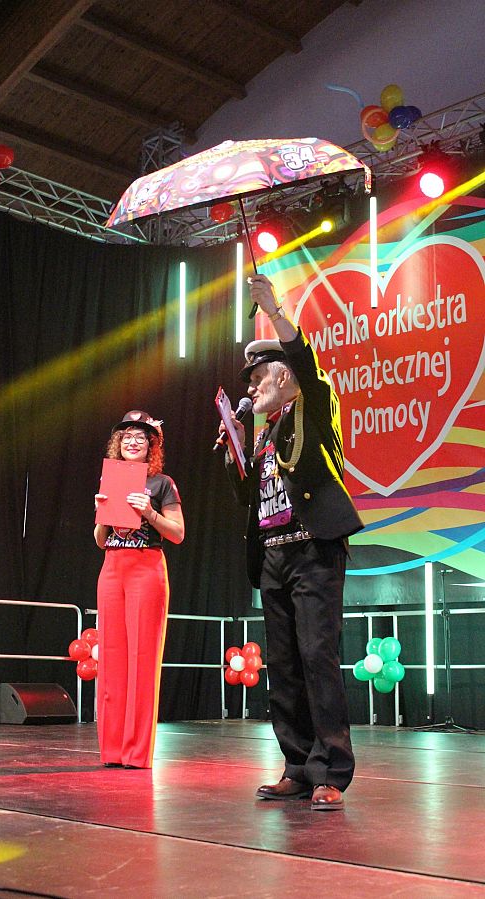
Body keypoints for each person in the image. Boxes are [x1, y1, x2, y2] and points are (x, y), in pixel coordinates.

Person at [221, 274, 363, 810]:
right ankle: (298, 765)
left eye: (259, 379)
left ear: (285, 377)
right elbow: (252, 498)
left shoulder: (316, 404)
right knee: (282, 665)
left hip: (313, 552)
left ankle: (331, 770)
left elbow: (306, 360)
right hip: (274, 555)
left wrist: (275, 311)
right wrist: (235, 453)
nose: (252, 389)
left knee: (316, 657)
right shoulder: (266, 433)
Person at [94, 410, 184, 769]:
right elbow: (100, 540)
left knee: (142, 661)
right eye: (127, 436)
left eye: (140, 436)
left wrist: (149, 513)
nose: (132, 441)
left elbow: (177, 533)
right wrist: (101, 512)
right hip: (112, 568)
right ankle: (113, 750)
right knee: (112, 659)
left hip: (146, 568)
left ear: (151, 445)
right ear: (118, 443)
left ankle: (136, 752)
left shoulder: (162, 484)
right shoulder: (111, 479)